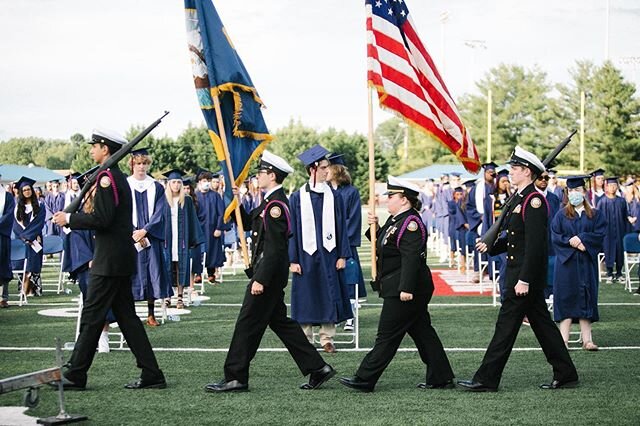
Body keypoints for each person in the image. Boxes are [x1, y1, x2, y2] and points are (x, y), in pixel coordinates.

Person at [205, 151, 336, 393]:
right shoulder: (268, 202)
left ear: (272, 175)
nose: (257, 176)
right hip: (269, 276)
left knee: (246, 325)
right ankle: (318, 368)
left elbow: (275, 249)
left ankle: (236, 377)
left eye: (261, 172)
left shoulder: (275, 206)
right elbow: (250, 223)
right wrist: (237, 202)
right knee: (282, 324)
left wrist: (260, 279)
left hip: (267, 276)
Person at [51, 128, 165, 390]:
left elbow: (103, 219)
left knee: (92, 316)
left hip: (110, 261)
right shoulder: (111, 176)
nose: (91, 150)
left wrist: (69, 219)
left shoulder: (106, 178)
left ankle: (76, 374)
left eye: (95, 146)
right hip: (117, 258)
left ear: (106, 149)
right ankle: (152, 373)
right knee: (126, 318)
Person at [458, 146, 578, 392]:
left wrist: (524, 279)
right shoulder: (521, 197)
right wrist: (491, 246)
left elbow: (535, 246)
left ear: (526, 171)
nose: (510, 172)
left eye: (514, 168)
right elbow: (516, 237)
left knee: (505, 327)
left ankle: (486, 378)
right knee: (543, 326)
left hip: (523, 276)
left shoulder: (533, 201)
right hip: (519, 273)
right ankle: (566, 372)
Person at [340, 176, 454, 392]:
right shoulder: (397, 220)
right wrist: (373, 228)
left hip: (406, 288)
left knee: (386, 335)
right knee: (423, 333)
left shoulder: (410, 223)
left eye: (391, 195)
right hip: (399, 285)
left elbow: (411, 259)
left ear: (404, 199)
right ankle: (441, 377)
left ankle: (365, 378)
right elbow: (385, 245)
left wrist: (406, 289)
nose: (387, 199)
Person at [288, 144, 352, 353]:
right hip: (305, 255)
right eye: (324, 167)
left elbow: (342, 226)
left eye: (328, 167)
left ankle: (327, 338)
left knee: (329, 292)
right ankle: (306, 337)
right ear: (313, 169)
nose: (328, 171)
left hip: (330, 253)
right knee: (306, 295)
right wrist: (293, 259)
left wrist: (343, 254)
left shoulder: (335, 196)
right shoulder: (297, 198)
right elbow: (291, 231)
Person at [551, 176, 606, 351]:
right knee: (566, 297)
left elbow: (600, 234)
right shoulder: (561, 214)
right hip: (566, 264)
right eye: (571, 191)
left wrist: (582, 240)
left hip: (585, 263)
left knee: (586, 296)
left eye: (578, 190)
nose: (574, 193)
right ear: (567, 193)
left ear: (584, 191)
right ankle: (562, 340)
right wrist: (570, 242)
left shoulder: (595, 214)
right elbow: (555, 236)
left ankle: (587, 340)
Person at [127, 148, 172, 326]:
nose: (141, 167)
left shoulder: (156, 186)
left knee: (152, 273)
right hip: (130, 237)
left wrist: (145, 230)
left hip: (151, 237)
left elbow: (160, 213)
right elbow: (122, 212)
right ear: (132, 164)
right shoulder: (125, 185)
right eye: (138, 163)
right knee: (132, 273)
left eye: (145, 163)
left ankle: (151, 314)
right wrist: (132, 232)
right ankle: (130, 315)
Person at [327, 153, 367, 332]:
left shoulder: (351, 192)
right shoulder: (325, 191)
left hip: (346, 245)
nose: (325, 171)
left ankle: (350, 317)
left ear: (336, 170)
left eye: (328, 168)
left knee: (349, 280)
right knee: (332, 281)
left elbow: (354, 219)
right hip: (328, 245)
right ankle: (335, 314)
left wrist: (341, 240)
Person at [162, 169, 204, 309]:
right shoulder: (162, 200)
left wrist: (193, 239)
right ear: (169, 184)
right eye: (173, 182)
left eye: (178, 182)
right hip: (167, 239)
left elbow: (192, 221)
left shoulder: (186, 200)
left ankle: (180, 297)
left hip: (182, 240)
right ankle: (167, 296)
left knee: (182, 267)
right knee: (167, 267)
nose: (176, 185)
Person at [12, 177, 46, 297]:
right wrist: (24, 237)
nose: (27, 191)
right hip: (22, 240)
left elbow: (39, 224)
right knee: (22, 263)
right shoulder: (17, 208)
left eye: (29, 189)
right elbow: (15, 225)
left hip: (35, 239)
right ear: (21, 192)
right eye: (24, 190)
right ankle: (23, 289)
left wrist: (29, 237)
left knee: (34, 263)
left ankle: (33, 289)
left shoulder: (40, 206)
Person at [466, 162, 497, 282]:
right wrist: (479, 216)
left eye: (493, 173)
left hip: (496, 222)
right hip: (481, 222)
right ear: (484, 174)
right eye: (489, 173)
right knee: (480, 244)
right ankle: (479, 271)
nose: (492, 175)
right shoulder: (476, 189)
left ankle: (493, 271)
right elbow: (469, 206)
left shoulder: (498, 187)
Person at [534, 169, 561, 299]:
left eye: (546, 178)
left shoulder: (554, 198)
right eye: (540, 178)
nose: (544, 180)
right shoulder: (530, 197)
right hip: (535, 239)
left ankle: (551, 293)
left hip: (551, 239)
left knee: (551, 266)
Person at [195, 170, 225, 285]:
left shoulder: (215, 196)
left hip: (213, 229)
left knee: (212, 251)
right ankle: (198, 274)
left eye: (208, 180)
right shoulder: (195, 196)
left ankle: (211, 274)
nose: (206, 183)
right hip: (199, 229)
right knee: (199, 251)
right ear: (199, 182)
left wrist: (219, 228)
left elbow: (221, 213)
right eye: (204, 181)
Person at [596, 177, 628, 283]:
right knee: (608, 250)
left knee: (619, 250)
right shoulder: (602, 201)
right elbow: (598, 218)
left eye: (614, 185)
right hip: (607, 232)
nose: (612, 187)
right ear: (606, 187)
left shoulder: (622, 201)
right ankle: (609, 273)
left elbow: (625, 217)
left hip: (620, 230)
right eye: (610, 185)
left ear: (617, 187)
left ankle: (619, 273)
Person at [1, 172, 16, 308]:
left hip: (1, 236)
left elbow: (8, 216)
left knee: (2, 266)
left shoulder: (7, 197)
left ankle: (2, 297)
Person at [448, 186, 468, 270]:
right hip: (454, 224)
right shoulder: (451, 203)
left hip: (462, 225)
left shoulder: (464, 203)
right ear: (454, 195)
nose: (459, 195)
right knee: (453, 242)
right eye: (457, 194)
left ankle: (463, 262)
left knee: (463, 243)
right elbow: (452, 213)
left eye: (460, 194)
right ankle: (452, 259)